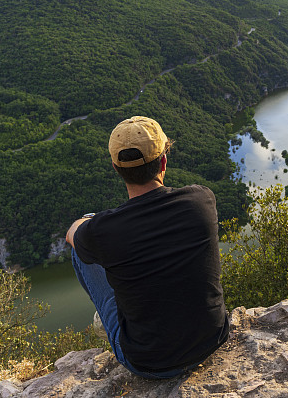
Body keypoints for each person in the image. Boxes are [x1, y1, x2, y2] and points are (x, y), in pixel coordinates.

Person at [65, 116, 230, 379]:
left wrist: (90, 221)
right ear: (163, 161)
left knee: (81, 251)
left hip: (149, 363)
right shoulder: (201, 199)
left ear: (115, 168)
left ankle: (118, 316)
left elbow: (71, 234)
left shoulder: (105, 230)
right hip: (212, 339)